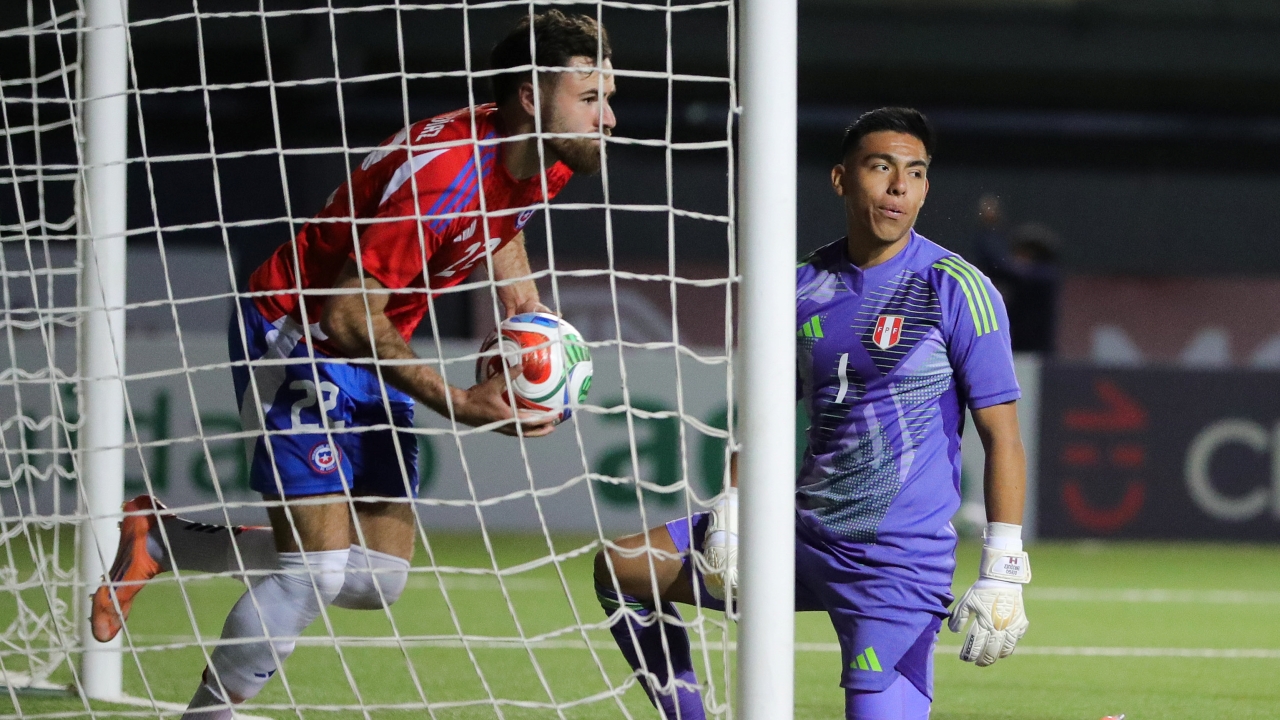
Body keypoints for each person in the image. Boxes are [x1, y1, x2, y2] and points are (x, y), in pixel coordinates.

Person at [89, 10, 616, 719]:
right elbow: (342, 313)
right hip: (299, 328)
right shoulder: (447, 177)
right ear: (531, 95)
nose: (608, 118)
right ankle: (208, 713)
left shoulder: (543, 155)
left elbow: (502, 227)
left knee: (377, 579)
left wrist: (530, 325)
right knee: (312, 574)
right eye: (591, 99)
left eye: (606, 97)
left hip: (370, 340)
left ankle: (164, 538)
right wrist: (458, 403)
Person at [594, 108, 1032, 720]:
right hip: (794, 536)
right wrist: (734, 506)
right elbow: (765, 418)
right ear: (841, 179)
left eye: (915, 172)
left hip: (893, 564)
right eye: (881, 168)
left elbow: (1003, 438)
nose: (899, 187)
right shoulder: (798, 286)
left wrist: (1003, 568)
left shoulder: (955, 287)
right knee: (623, 570)